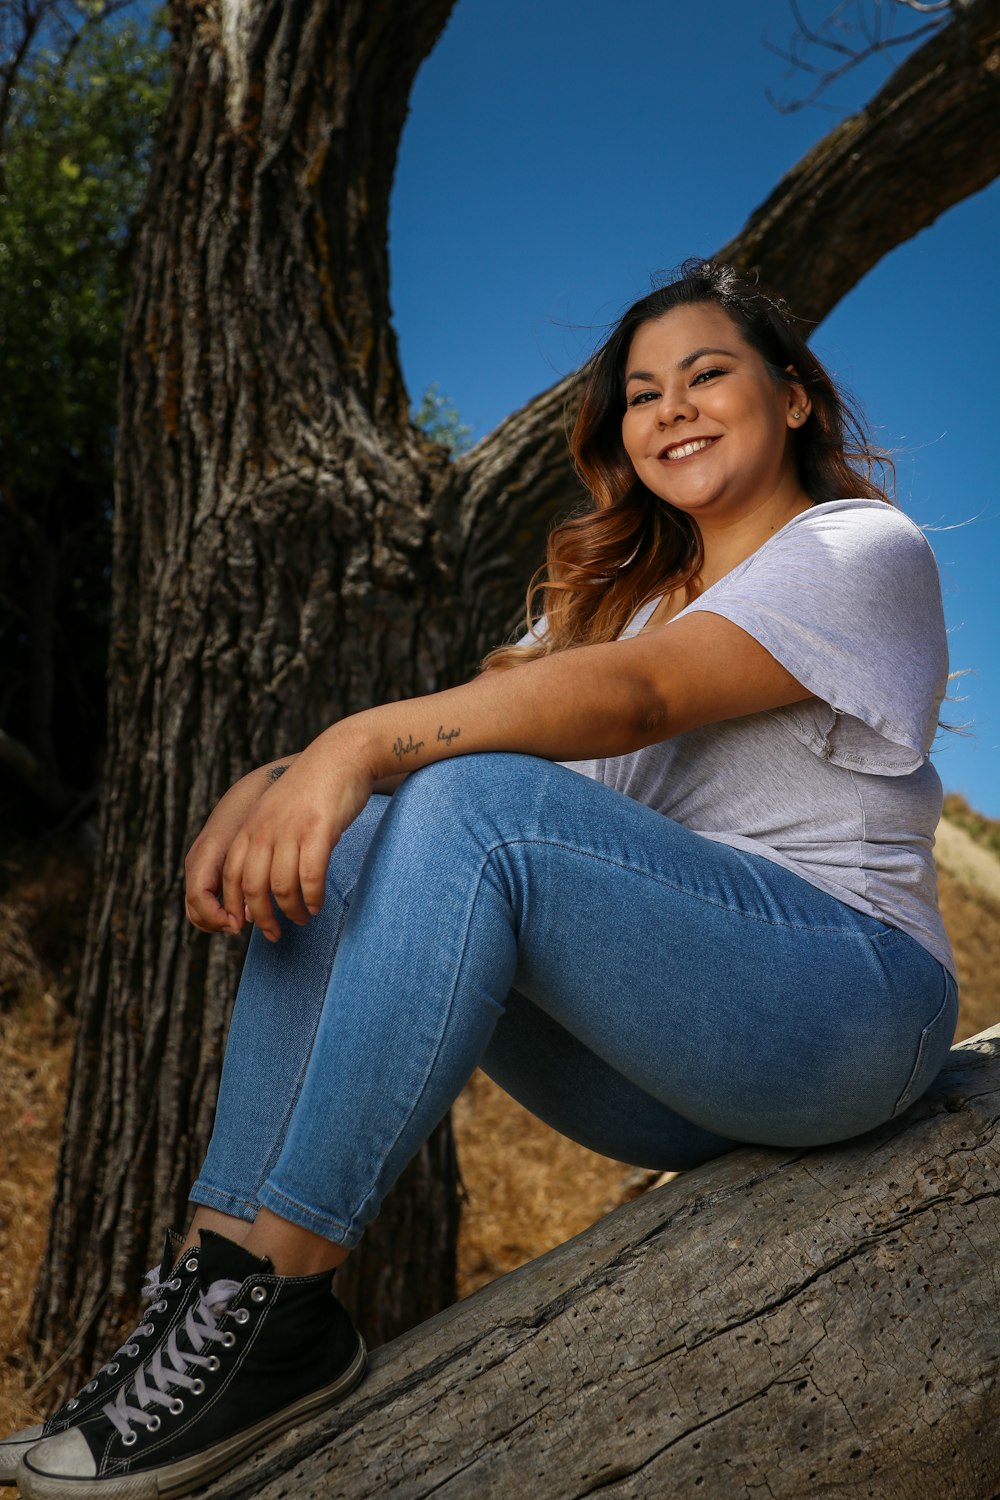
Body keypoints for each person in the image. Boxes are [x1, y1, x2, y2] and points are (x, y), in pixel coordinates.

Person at [4, 260, 958, 1497]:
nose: (668, 407)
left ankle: (279, 1306)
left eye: (706, 374)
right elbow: (480, 722)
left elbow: (638, 699)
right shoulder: (613, 605)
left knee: (463, 801)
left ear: (790, 399)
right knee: (352, 840)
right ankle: (212, 1297)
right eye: (639, 392)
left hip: (848, 1010)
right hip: (667, 1073)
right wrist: (282, 776)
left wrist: (346, 746)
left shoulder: (854, 549)